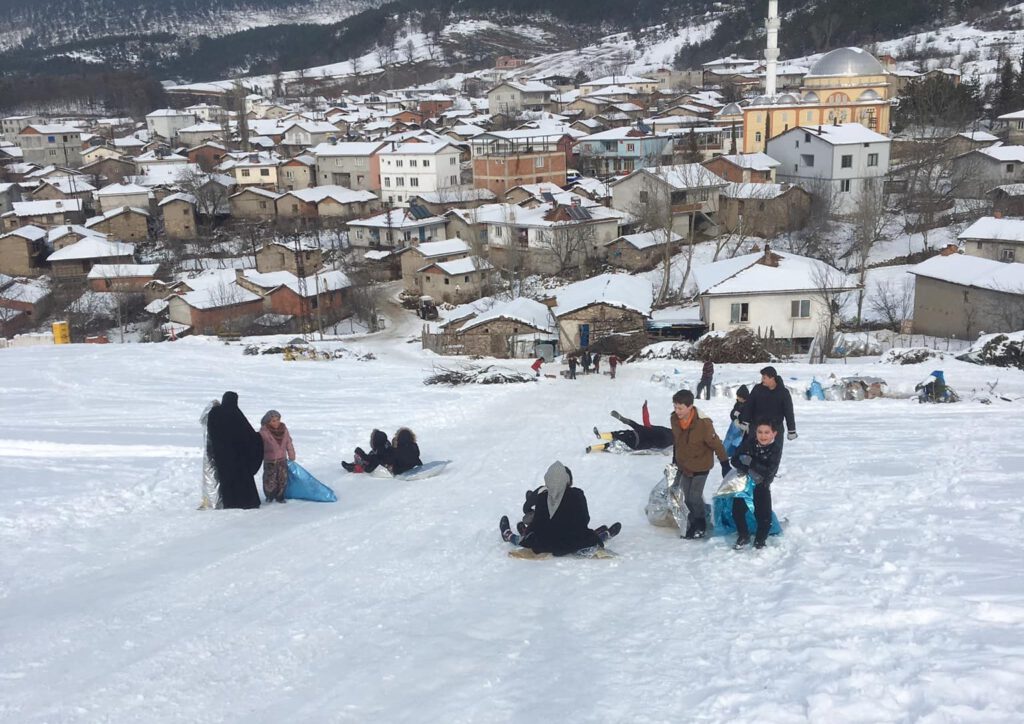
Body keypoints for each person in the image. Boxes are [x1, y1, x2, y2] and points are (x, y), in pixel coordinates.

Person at [499, 461, 620, 555]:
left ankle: (508, 535)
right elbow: (584, 519)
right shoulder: (578, 494)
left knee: (527, 540)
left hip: (547, 544)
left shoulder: (543, 497)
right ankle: (603, 536)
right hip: (573, 542)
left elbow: (537, 524)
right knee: (587, 538)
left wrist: (528, 533)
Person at [670, 389, 731, 539]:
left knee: (694, 497)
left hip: (701, 465)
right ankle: (692, 523)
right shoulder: (674, 419)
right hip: (684, 465)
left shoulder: (703, 424)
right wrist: (675, 459)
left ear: (690, 406)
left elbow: (716, 444)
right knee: (686, 497)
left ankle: (701, 523)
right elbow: (677, 441)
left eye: (680, 408)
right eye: (675, 407)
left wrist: (724, 463)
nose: (677, 411)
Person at [730, 420, 783, 549]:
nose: (763, 436)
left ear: (774, 434)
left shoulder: (775, 449)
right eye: (760, 432)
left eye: (767, 432)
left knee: (764, 516)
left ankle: (760, 540)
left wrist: (751, 462)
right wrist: (747, 468)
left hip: (762, 485)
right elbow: (735, 460)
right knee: (737, 511)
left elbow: (769, 471)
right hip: (745, 483)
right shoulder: (749, 443)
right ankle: (743, 535)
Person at [206, 391, 263, 510]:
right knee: (242, 478)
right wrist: (259, 438)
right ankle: (247, 502)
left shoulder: (214, 413)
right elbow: (248, 435)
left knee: (227, 478)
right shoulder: (236, 414)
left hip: (221, 455)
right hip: (239, 456)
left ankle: (230, 502)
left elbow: (208, 427)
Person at [739, 366, 797, 446]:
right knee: (752, 451)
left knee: (774, 452)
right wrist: (745, 421)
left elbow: (788, 412)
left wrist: (791, 430)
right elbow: (749, 406)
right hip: (757, 427)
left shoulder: (783, 392)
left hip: (776, 429)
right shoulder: (757, 389)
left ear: (772, 378)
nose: (762, 380)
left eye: (764, 378)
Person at [587, 404, 672, 454]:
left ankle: (601, 435)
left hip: (636, 435)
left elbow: (646, 424)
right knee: (614, 444)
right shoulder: (668, 441)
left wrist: (644, 409)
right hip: (637, 445)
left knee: (618, 434)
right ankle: (593, 448)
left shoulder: (663, 431)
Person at [259, 410, 296, 503]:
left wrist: (291, 454)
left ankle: (280, 496)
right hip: (270, 460)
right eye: (273, 421)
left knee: (282, 478)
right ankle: (269, 495)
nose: (276, 422)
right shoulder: (264, 432)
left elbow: (288, 442)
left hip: (282, 459)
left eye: (278, 420)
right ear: (268, 422)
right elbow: (259, 446)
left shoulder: (284, 430)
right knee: (270, 479)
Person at [198, 399, 222, 510]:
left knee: (209, 478)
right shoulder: (216, 418)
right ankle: (214, 501)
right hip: (213, 452)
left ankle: (209, 500)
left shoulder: (207, 419)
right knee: (214, 477)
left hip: (208, 453)